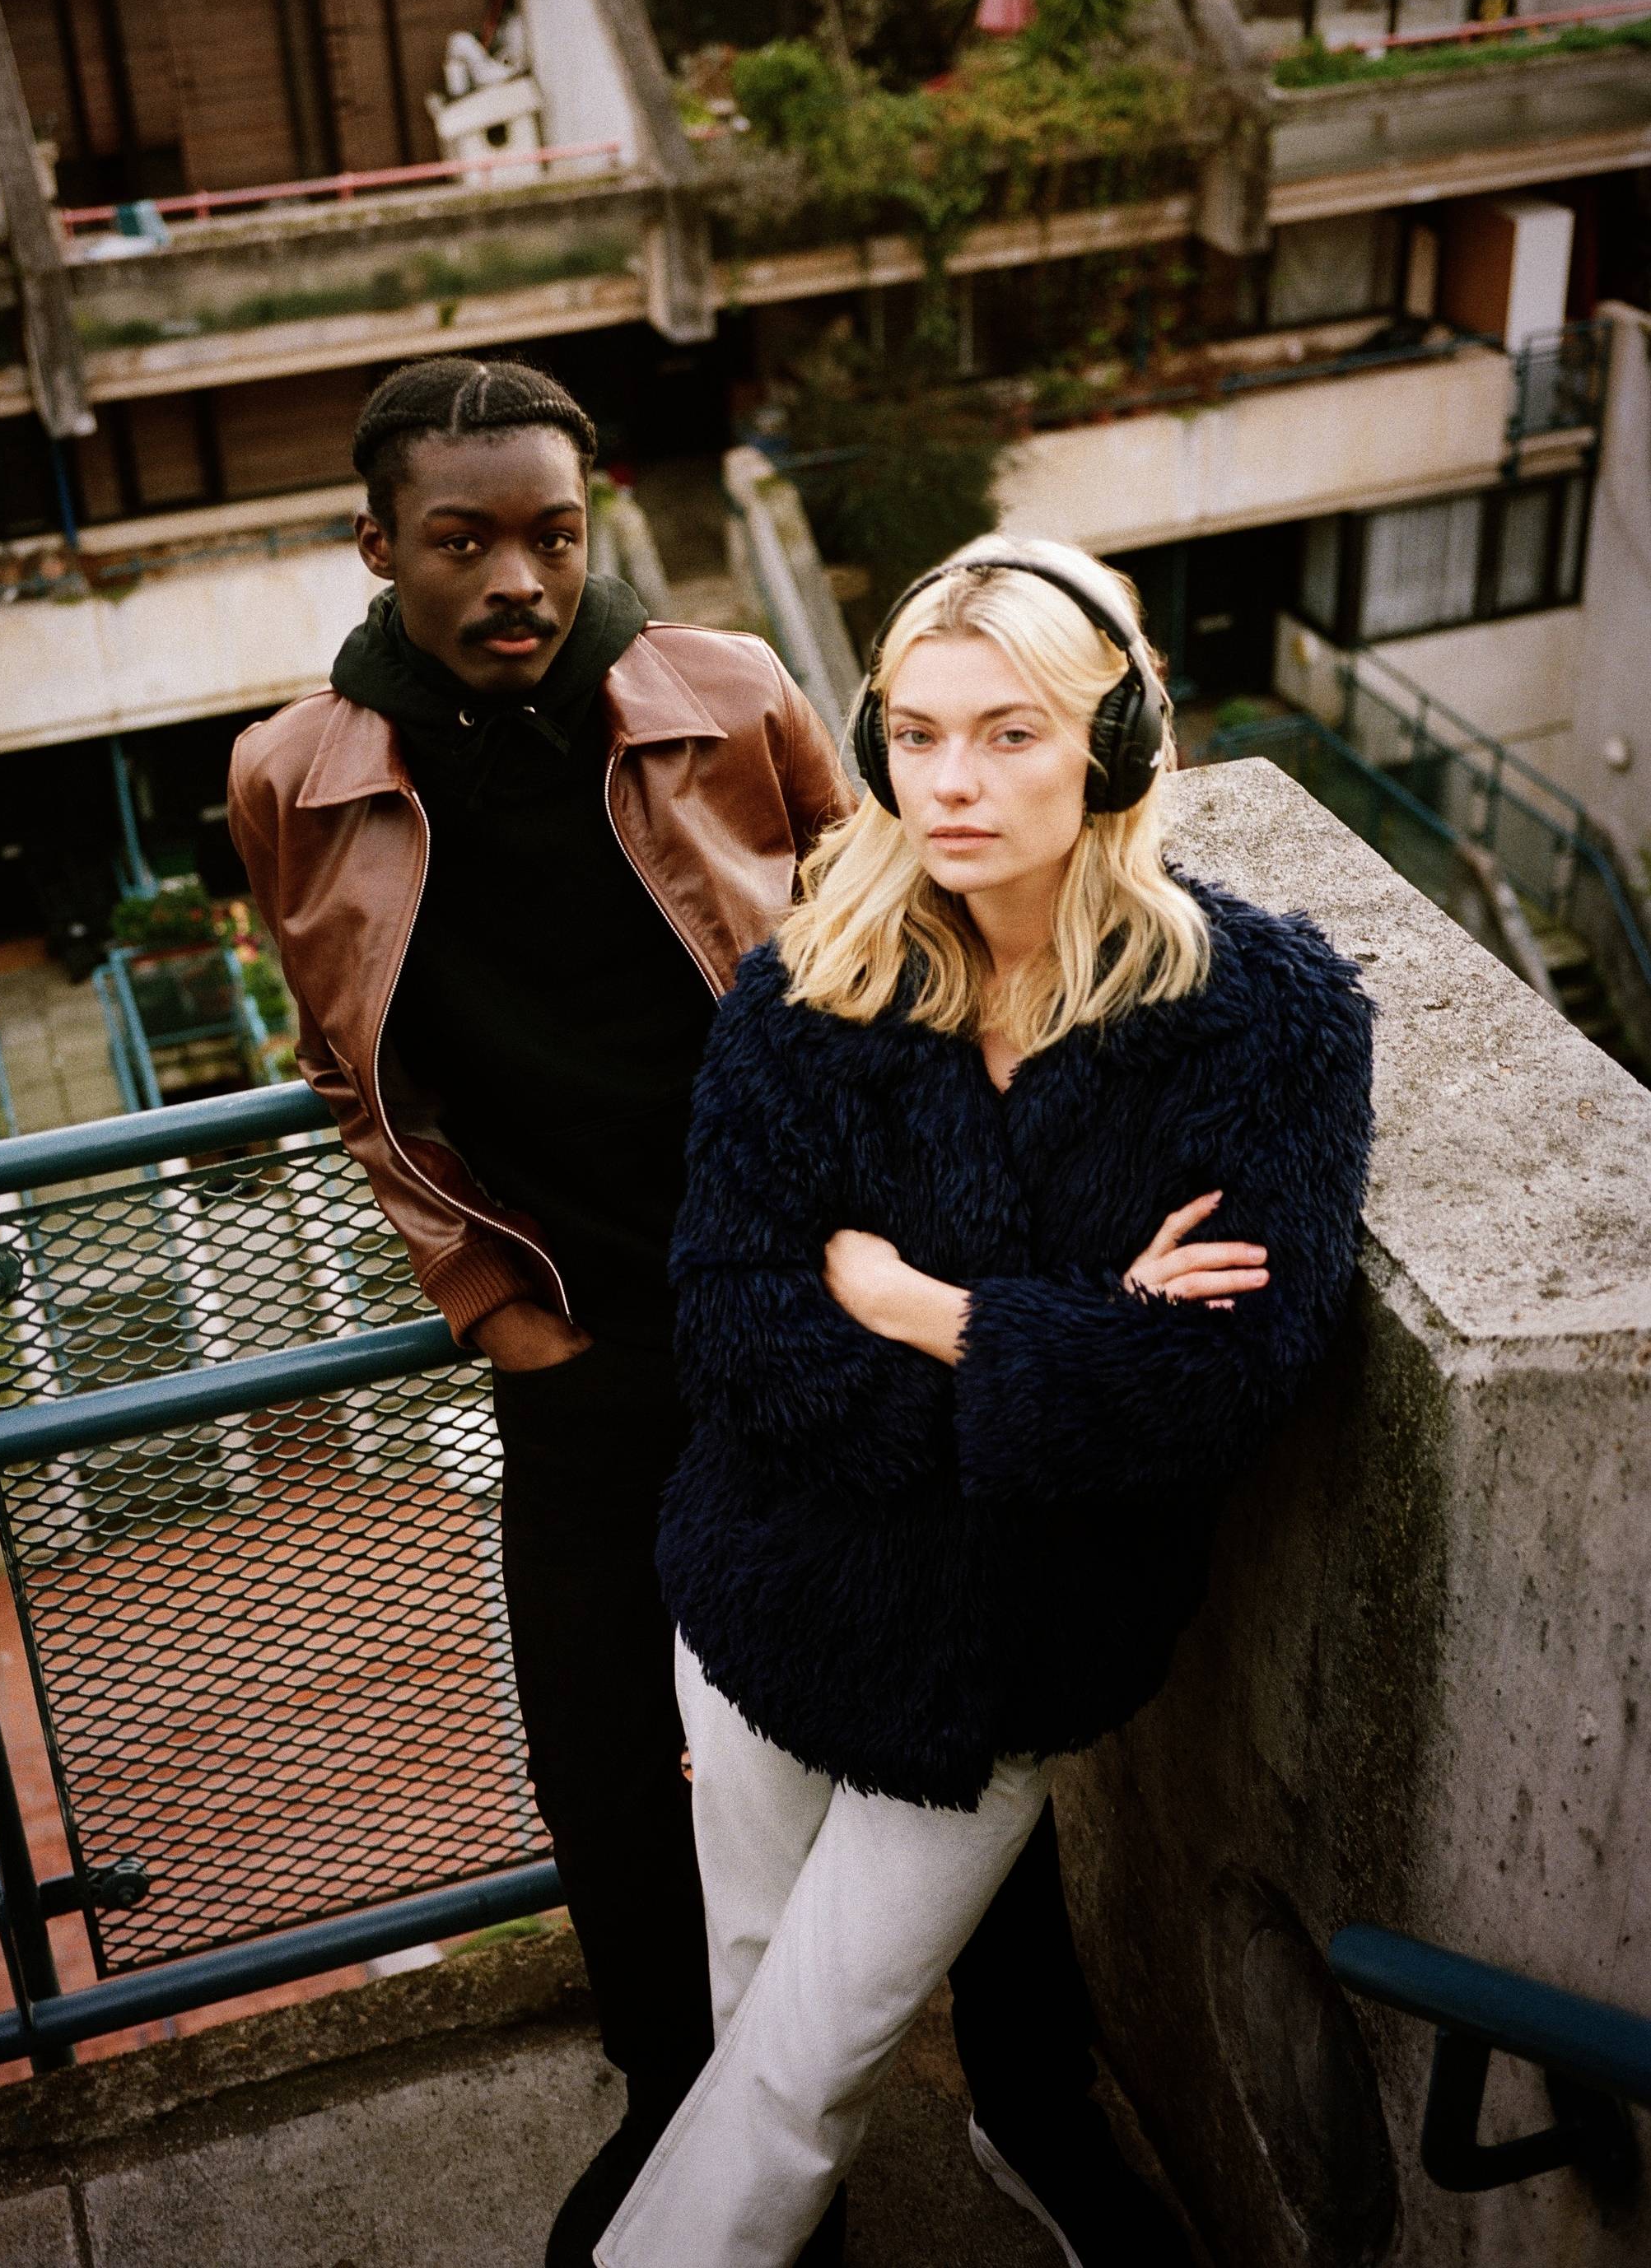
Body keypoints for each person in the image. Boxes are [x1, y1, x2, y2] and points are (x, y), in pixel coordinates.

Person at [228, 366, 1187, 2266]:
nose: (518, 576)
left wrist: (907, 1253)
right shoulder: (294, 775)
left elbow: (901, 947)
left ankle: (1029, 2098)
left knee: (935, 1689)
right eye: (464, 539)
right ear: (376, 549)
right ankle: (682, 2102)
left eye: (553, 534)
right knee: (597, 1748)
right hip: (578, 1346)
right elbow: (350, 1077)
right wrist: (491, 1306)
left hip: (814, 1302)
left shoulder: (730, 695)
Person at [599, 545, 1377, 2266]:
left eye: (1009, 734)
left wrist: (915, 1306)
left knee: (805, 2067)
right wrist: (1064, 1349)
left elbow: (1221, 1393)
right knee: (752, 2009)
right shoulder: (802, 993)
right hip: (759, 1589)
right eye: (915, 733)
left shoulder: (1265, 1023)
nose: (949, 783)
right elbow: (730, 1332)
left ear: (1113, 748)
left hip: (1011, 1654)